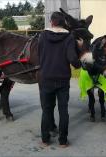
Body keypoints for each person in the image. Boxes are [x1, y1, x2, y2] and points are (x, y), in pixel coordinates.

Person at [38, 11, 82, 148]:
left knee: (46, 110)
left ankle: (45, 140)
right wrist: (79, 53)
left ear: (51, 22)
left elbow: (40, 55)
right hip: (63, 80)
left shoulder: (43, 36)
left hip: (46, 78)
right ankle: (63, 141)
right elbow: (73, 60)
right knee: (63, 111)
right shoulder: (69, 38)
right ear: (63, 24)